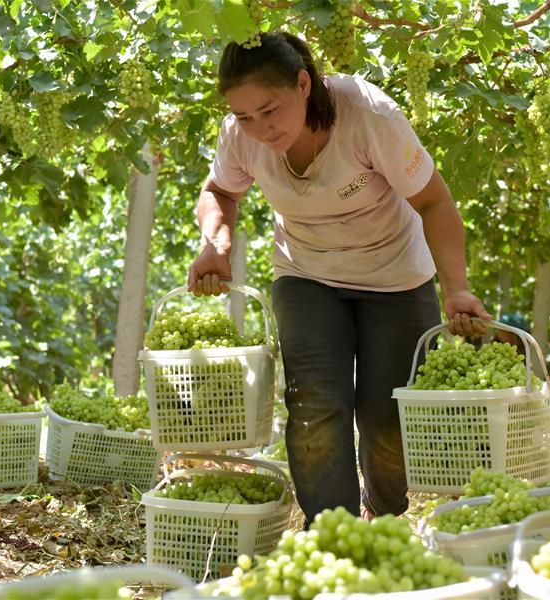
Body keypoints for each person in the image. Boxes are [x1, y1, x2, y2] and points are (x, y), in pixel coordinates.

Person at [186, 31, 491, 526]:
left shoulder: (369, 115)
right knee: (316, 404)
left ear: (304, 84)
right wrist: (216, 245)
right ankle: (332, 529)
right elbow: (219, 191)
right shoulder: (239, 135)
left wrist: (456, 288)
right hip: (306, 272)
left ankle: (385, 518)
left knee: (386, 416)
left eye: (269, 110)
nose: (259, 127)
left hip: (395, 274)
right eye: (244, 116)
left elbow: (434, 202)